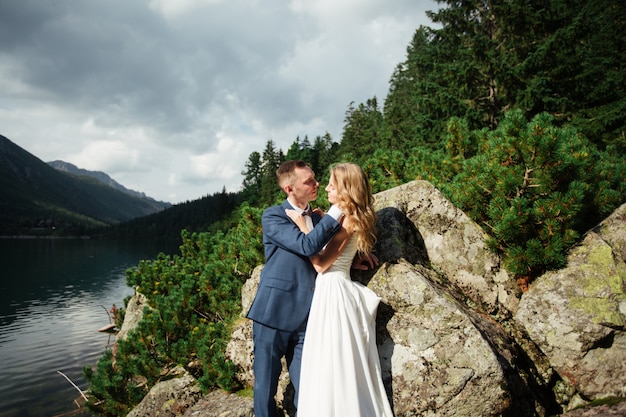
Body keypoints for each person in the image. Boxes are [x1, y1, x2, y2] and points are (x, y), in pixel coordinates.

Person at [285, 162, 394, 417]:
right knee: (331, 360)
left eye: (332, 184)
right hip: (332, 288)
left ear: (346, 188)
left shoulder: (348, 220)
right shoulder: (344, 217)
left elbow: (321, 264)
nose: (326, 187)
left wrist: (304, 229)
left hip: (333, 291)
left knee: (332, 360)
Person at [246, 160, 345, 417]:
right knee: (265, 386)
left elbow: (332, 252)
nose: (316, 184)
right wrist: (336, 211)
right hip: (273, 313)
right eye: (309, 181)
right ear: (290, 189)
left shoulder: (320, 217)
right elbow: (306, 246)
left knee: (309, 387)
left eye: (315, 178)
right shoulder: (273, 216)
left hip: (309, 316)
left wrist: (359, 256)